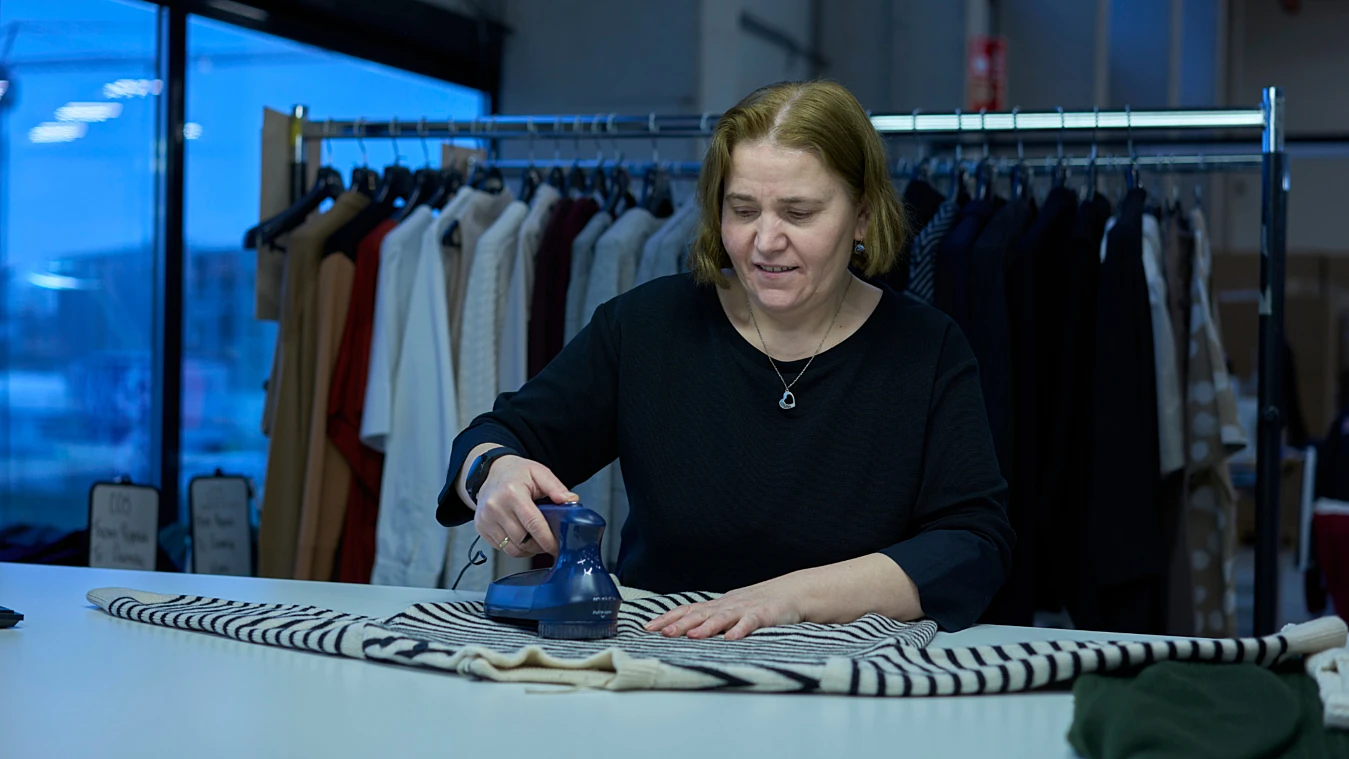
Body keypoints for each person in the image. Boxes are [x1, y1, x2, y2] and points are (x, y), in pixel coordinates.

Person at [438, 80, 1014, 636]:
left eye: (799, 213)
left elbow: (972, 546)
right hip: (662, 662)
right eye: (743, 210)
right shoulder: (645, 327)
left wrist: (784, 599)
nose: (765, 241)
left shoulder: (926, 348)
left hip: (845, 683)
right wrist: (492, 472)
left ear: (862, 216)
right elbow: (495, 435)